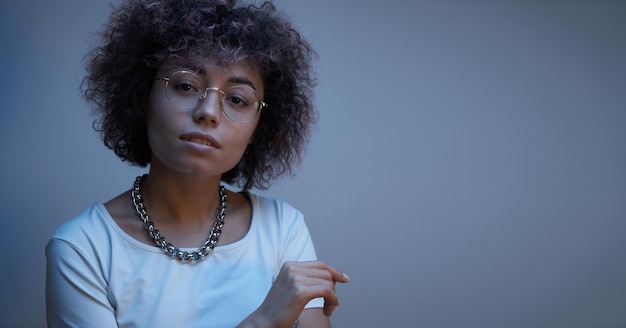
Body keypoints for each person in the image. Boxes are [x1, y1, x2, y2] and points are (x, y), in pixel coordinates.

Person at [45, 0, 350, 327]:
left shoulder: (284, 230)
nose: (208, 111)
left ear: (257, 129)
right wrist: (263, 322)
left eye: (237, 99)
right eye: (186, 85)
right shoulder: (82, 248)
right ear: (142, 98)